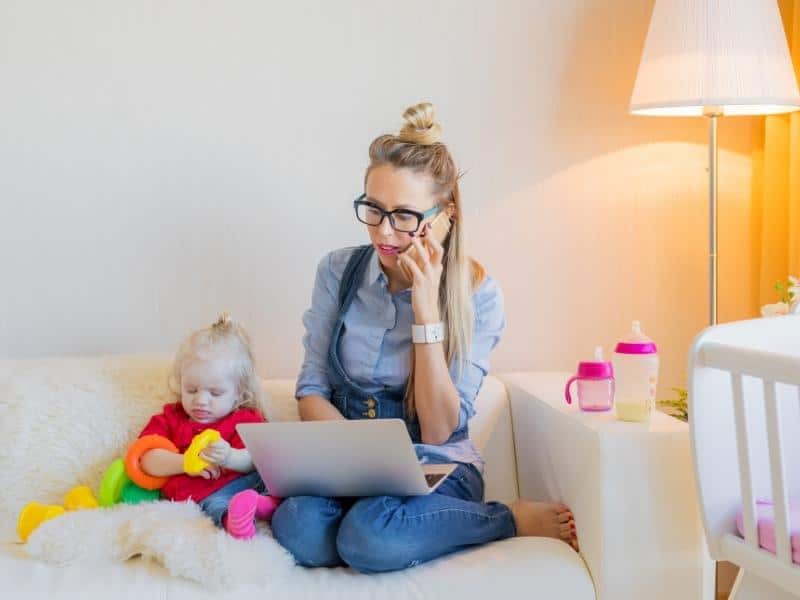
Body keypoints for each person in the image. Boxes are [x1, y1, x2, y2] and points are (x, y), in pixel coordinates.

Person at [270, 102, 577, 573]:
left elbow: (438, 430)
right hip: (350, 460)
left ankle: (503, 518)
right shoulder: (336, 271)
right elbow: (311, 388)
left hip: (438, 467)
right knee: (297, 527)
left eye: (405, 216)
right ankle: (374, 515)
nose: (384, 232)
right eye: (373, 209)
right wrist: (359, 463)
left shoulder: (480, 295)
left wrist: (426, 309)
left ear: (445, 215)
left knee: (370, 538)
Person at [137, 313, 280, 539]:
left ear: (238, 394)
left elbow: (256, 459)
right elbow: (146, 459)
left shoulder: (244, 418)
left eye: (215, 393)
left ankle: (265, 504)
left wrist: (230, 457)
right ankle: (237, 520)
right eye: (191, 390)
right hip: (209, 494)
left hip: (245, 481)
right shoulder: (171, 418)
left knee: (274, 472)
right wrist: (185, 463)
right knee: (215, 505)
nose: (200, 400)